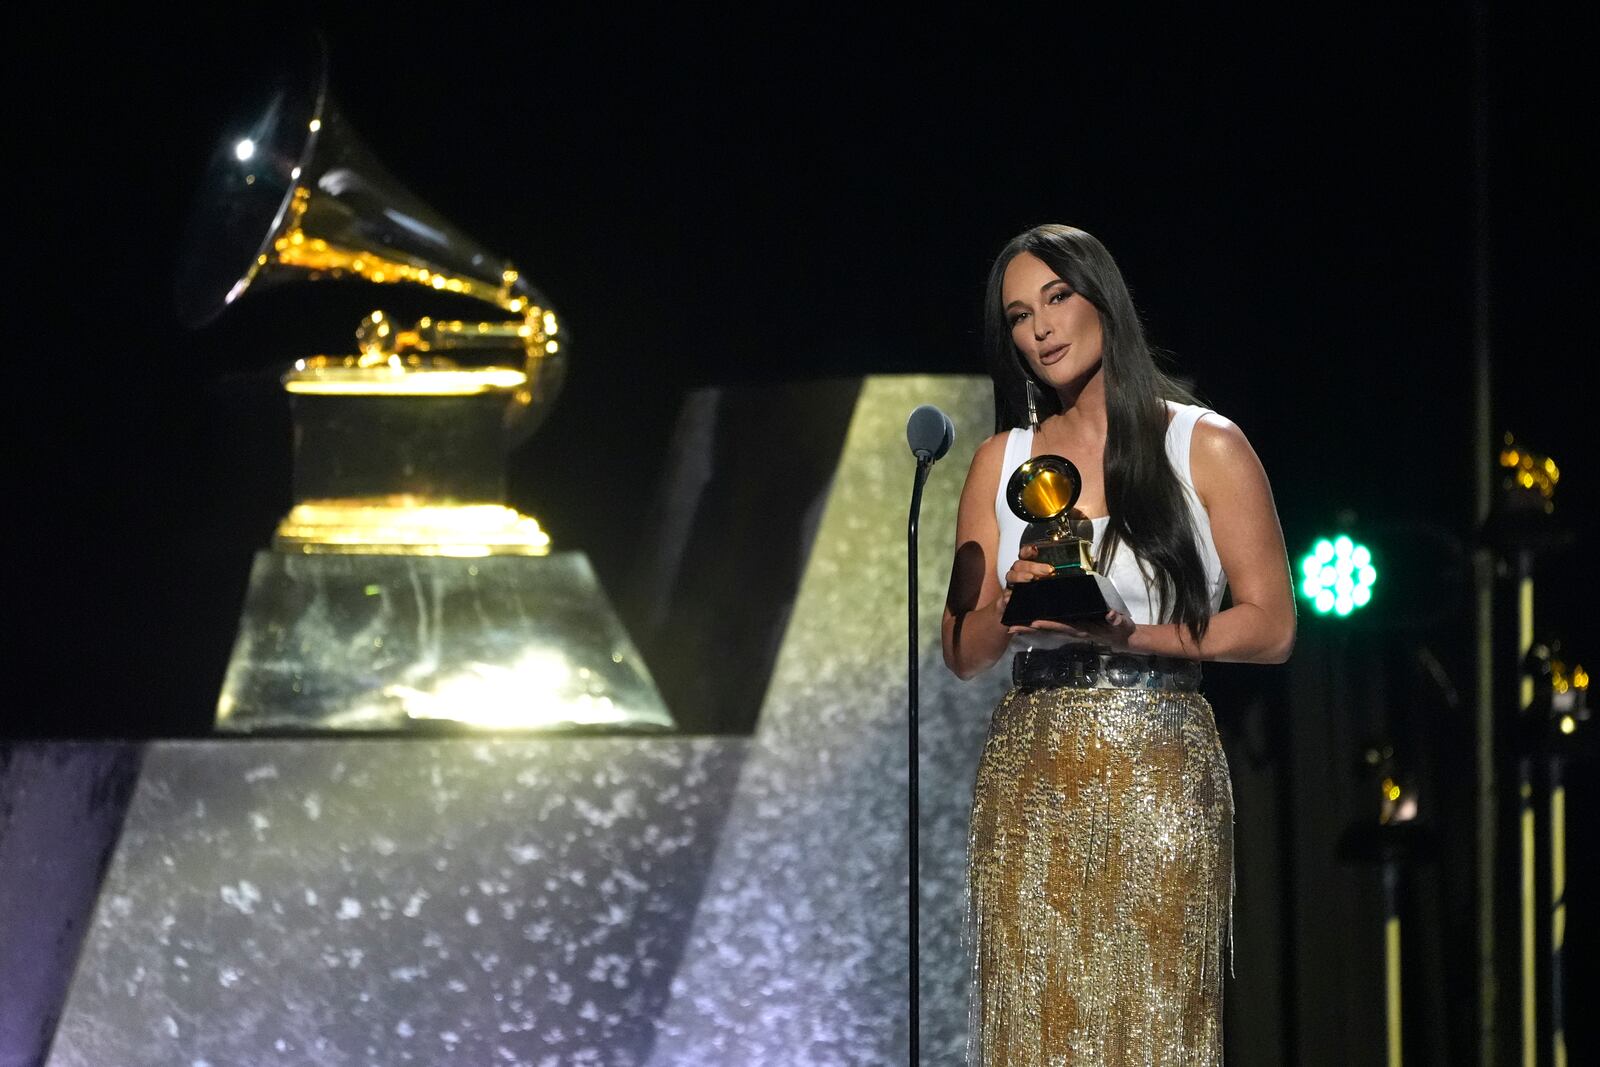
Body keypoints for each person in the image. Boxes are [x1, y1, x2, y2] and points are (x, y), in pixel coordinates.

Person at [942, 224, 1295, 1066]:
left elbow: (1271, 625)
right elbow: (962, 647)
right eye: (1020, 315)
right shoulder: (1004, 462)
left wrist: (1128, 634)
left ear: (1105, 299)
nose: (1042, 329)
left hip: (1160, 762)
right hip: (1033, 767)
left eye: (1058, 298)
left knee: (1152, 1015)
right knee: (1040, 1018)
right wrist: (1019, 592)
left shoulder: (1203, 443)